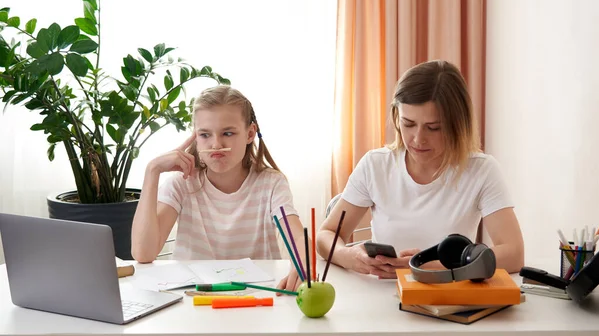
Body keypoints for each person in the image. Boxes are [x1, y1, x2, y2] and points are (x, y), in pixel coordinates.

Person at [317, 60, 524, 279]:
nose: (418, 139)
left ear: (457, 125)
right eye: (408, 124)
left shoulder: (481, 170)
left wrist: (425, 268)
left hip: (447, 297)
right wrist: (347, 255)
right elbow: (326, 235)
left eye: (433, 128)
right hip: (383, 297)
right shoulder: (376, 165)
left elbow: (514, 254)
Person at [131, 85, 304, 292]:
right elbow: (143, 253)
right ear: (195, 136)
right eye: (205, 135)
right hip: (192, 299)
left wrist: (304, 265)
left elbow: (296, 236)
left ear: (250, 134)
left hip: (256, 299)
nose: (216, 144)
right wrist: (152, 171)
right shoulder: (181, 183)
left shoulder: (271, 184)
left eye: (228, 133)